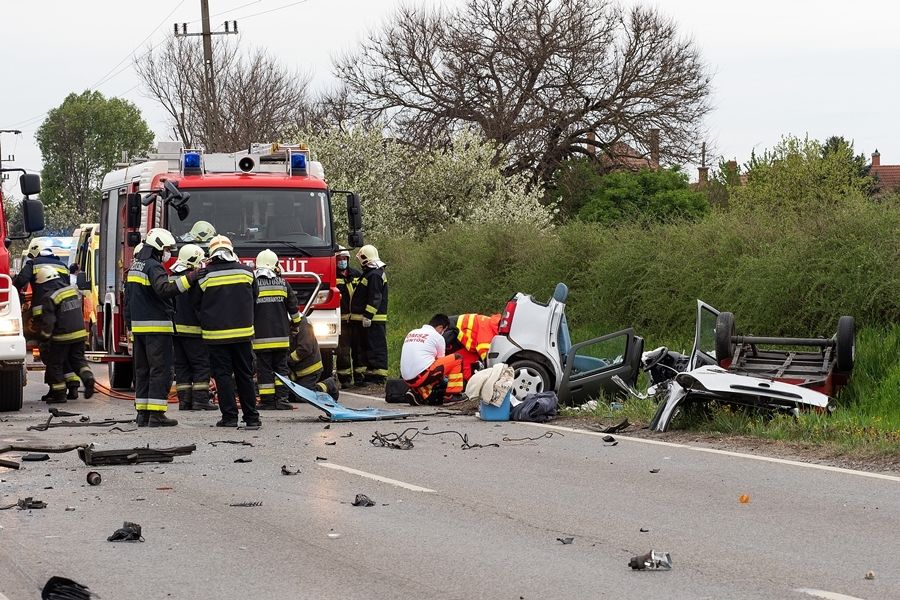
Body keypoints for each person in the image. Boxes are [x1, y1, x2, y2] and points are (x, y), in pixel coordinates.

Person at [124, 228, 192, 427]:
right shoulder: (154, 267)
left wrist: (130, 326)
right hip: (157, 328)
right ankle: (157, 415)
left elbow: (128, 301)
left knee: (143, 371)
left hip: (139, 329)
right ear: (159, 246)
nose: (168, 253)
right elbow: (165, 290)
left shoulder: (136, 266)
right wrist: (190, 279)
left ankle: (142, 414)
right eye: (167, 249)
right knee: (160, 371)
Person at [193, 235, 260, 429]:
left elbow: (196, 304)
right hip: (243, 335)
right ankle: (251, 418)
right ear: (231, 251)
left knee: (222, 377)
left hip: (216, 337)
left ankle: (229, 417)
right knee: (245, 375)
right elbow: (255, 297)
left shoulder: (205, 276)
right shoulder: (248, 272)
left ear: (212, 254)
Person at [15, 240, 79, 400]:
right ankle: (73, 386)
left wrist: (16, 292)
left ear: (36, 251)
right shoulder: (62, 267)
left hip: (45, 315)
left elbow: (20, 281)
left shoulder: (33, 264)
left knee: (49, 353)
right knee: (64, 351)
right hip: (64, 315)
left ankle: (56, 390)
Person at [34, 266, 95, 403]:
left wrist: (44, 337)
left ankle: (59, 394)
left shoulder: (49, 297)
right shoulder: (70, 290)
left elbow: (49, 321)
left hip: (62, 336)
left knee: (55, 364)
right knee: (78, 361)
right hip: (80, 334)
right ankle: (88, 378)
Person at [252, 249, 301, 410]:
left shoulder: (253, 284)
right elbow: (294, 310)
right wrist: (296, 324)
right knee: (281, 369)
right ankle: (282, 400)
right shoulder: (283, 283)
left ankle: (267, 401)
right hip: (281, 337)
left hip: (260, 339)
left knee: (264, 370)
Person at [170, 244, 216, 411]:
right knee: (201, 365)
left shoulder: (171, 278)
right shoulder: (194, 280)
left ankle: (185, 401)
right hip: (193, 331)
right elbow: (201, 305)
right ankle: (200, 400)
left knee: (182, 366)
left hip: (174, 331)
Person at [400, 314, 465, 404]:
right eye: (444, 331)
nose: (443, 333)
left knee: (432, 368)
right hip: (421, 377)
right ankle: (452, 395)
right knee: (457, 358)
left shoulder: (412, 332)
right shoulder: (438, 337)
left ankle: (419, 392)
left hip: (406, 378)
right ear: (440, 327)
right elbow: (441, 364)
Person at [349, 244, 388, 385]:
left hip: (373, 320)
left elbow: (375, 297)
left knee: (375, 347)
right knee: (369, 348)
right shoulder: (371, 274)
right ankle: (371, 375)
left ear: (364, 258)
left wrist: (368, 315)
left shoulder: (375, 275)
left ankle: (378, 376)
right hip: (367, 320)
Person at [323, 246, 361, 387]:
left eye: (344, 259)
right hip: (341, 320)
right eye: (339, 259)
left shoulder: (356, 274)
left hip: (356, 320)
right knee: (343, 351)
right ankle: (345, 380)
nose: (342, 262)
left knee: (358, 350)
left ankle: (359, 378)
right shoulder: (332, 276)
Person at [286, 316, 340, 399]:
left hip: (310, 370)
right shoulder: (285, 324)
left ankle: (330, 384)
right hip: (297, 372)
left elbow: (305, 349)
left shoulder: (304, 325)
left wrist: (288, 360)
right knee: (290, 395)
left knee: (303, 397)